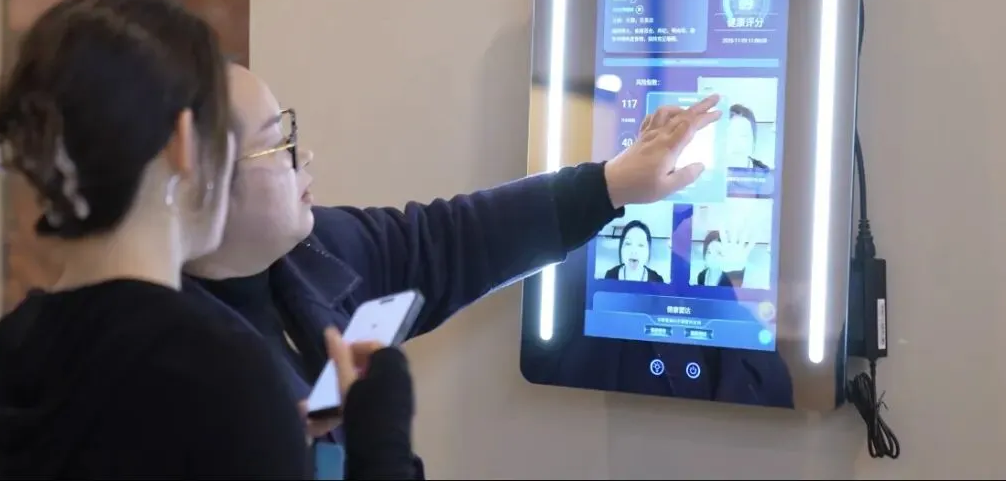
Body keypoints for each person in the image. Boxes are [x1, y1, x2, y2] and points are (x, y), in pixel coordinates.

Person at [0, 0, 415, 479]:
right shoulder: (220, 370)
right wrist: (383, 436)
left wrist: (275, 435)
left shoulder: (13, 346)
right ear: (183, 143)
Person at [180, 66, 722, 449]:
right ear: (196, 172)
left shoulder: (315, 251)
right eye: (278, 142)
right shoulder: (180, 372)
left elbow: (448, 241)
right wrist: (377, 438)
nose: (304, 154)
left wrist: (611, 184)